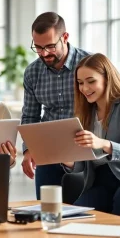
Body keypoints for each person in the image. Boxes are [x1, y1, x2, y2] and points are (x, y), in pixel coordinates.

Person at [21, 11, 90, 199]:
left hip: (84, 153)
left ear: (65, 37)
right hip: (48, 151)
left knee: (82, 211)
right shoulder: (32, 72)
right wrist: (28, 149)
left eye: (50, 46)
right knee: (46, 209)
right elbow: (30, 116)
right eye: (38, 47)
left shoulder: (89, 65)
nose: (44, 53)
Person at [62, 53, 120, 238]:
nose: (84, 88)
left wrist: (104, 144)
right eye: (80, 83)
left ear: (107, 78)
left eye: (91, 81)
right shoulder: (86, 113)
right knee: (72, 224)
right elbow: (84, 164)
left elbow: (102, 147)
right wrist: (68, 160)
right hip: (101, 180)